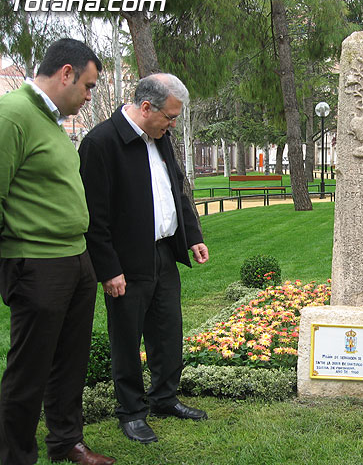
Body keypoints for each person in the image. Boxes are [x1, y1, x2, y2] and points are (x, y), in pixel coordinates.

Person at [0, 39, 115, 465]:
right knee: (29, 370)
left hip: (75, 258)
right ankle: (14, 456)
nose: (89, 97)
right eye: (87, 86)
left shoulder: (51, 121)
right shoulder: (12, 114)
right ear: (65, 73)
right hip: (36, 262)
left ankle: (66, 442)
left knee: (70, 362)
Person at [78, 73, 209, 445]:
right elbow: (94, 216)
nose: (172, 126)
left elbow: (176, 192)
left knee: (167, 331)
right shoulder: (101, 143)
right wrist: (109, 269)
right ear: (146, 107)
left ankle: (165, 398)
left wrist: (192, 237)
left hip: (165, 251)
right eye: (169, 117)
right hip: (126, 261)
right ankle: (132, 412)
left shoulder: (161, 139)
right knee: (126, 338)